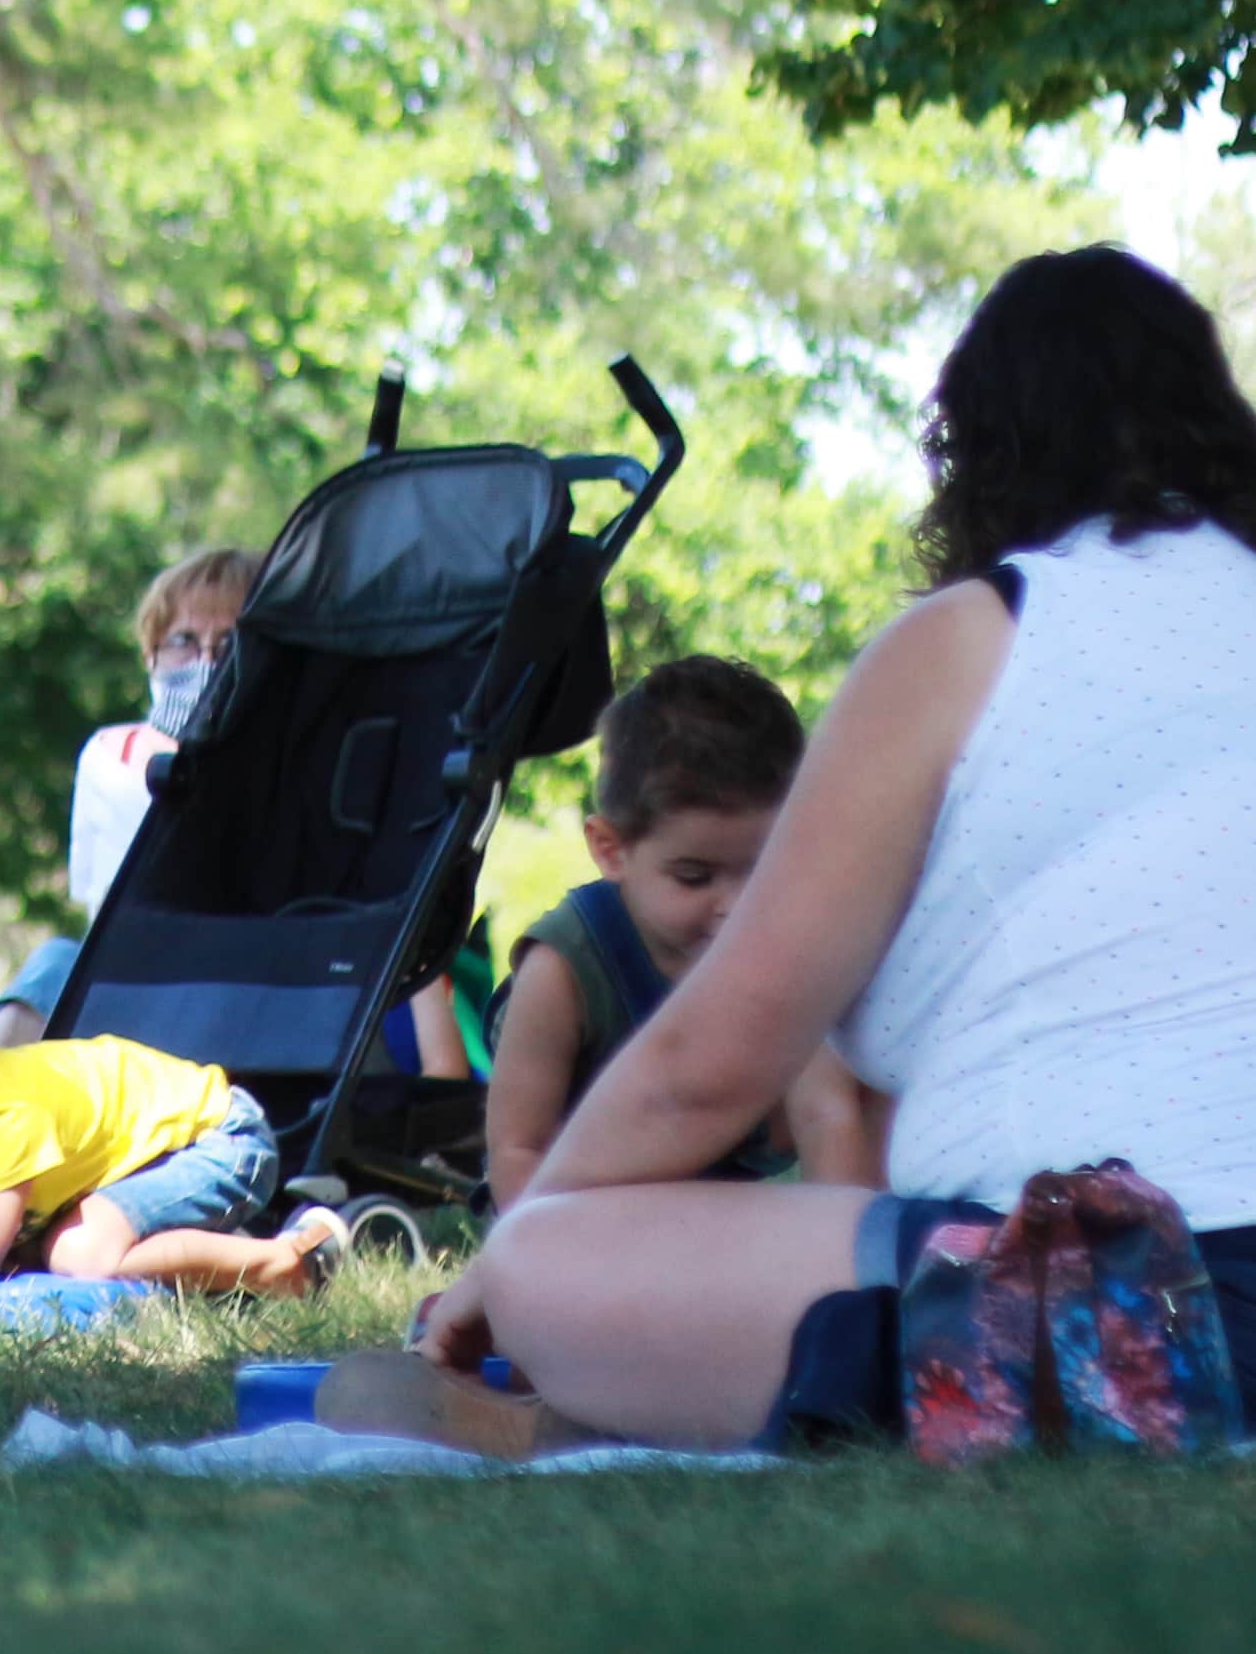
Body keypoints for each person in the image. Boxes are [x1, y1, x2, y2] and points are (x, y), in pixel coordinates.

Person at [423, 247, 1256, 1449]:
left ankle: (1027, 1385)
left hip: (1101, 1291)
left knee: (551, 1256)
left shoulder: (966, 639)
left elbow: (709, 1062)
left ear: (977, 455)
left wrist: (500, 1263)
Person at [481, 654, 865, 1205]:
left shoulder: (792, 940)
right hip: (583, 1200)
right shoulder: (563, 970)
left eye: (768, 867)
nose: (737, 906)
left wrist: (850, 1252)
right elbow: (518, 1151)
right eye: (694, 876)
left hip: (730, 1190)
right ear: (611, 851)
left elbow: (828, 1113)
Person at [0, 926, 346, 1296]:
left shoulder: (2, 1114)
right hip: (133, 1164)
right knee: (42, 1252)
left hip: (216, 1138)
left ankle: (286, 1262)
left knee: (79, 1257)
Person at [0, 547, 250, 1050]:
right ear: (151, 655)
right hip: (129, 984)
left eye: (231, 644)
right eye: (184, 642)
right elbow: (98, 908)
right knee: (57, 963)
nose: (208, 662)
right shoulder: (107, 755)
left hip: (237, 988)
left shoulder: (286, 763)